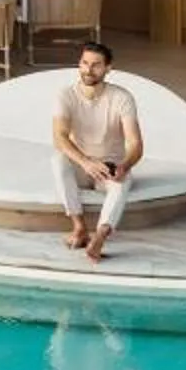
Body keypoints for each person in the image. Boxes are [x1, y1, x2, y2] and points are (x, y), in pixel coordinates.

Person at [51, 40, 143, 261]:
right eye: (84, 63)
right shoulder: (66, 95)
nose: (88, 70)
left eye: (96, 65)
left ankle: (100, 236)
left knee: (121, 183)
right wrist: (85, 162)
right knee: (57, 160)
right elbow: (60, 137)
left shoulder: (122, 98)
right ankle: (79, 227)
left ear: (108, 68)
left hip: (108, 165)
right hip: (81, 164)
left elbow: (135, 143)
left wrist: (125, 165)